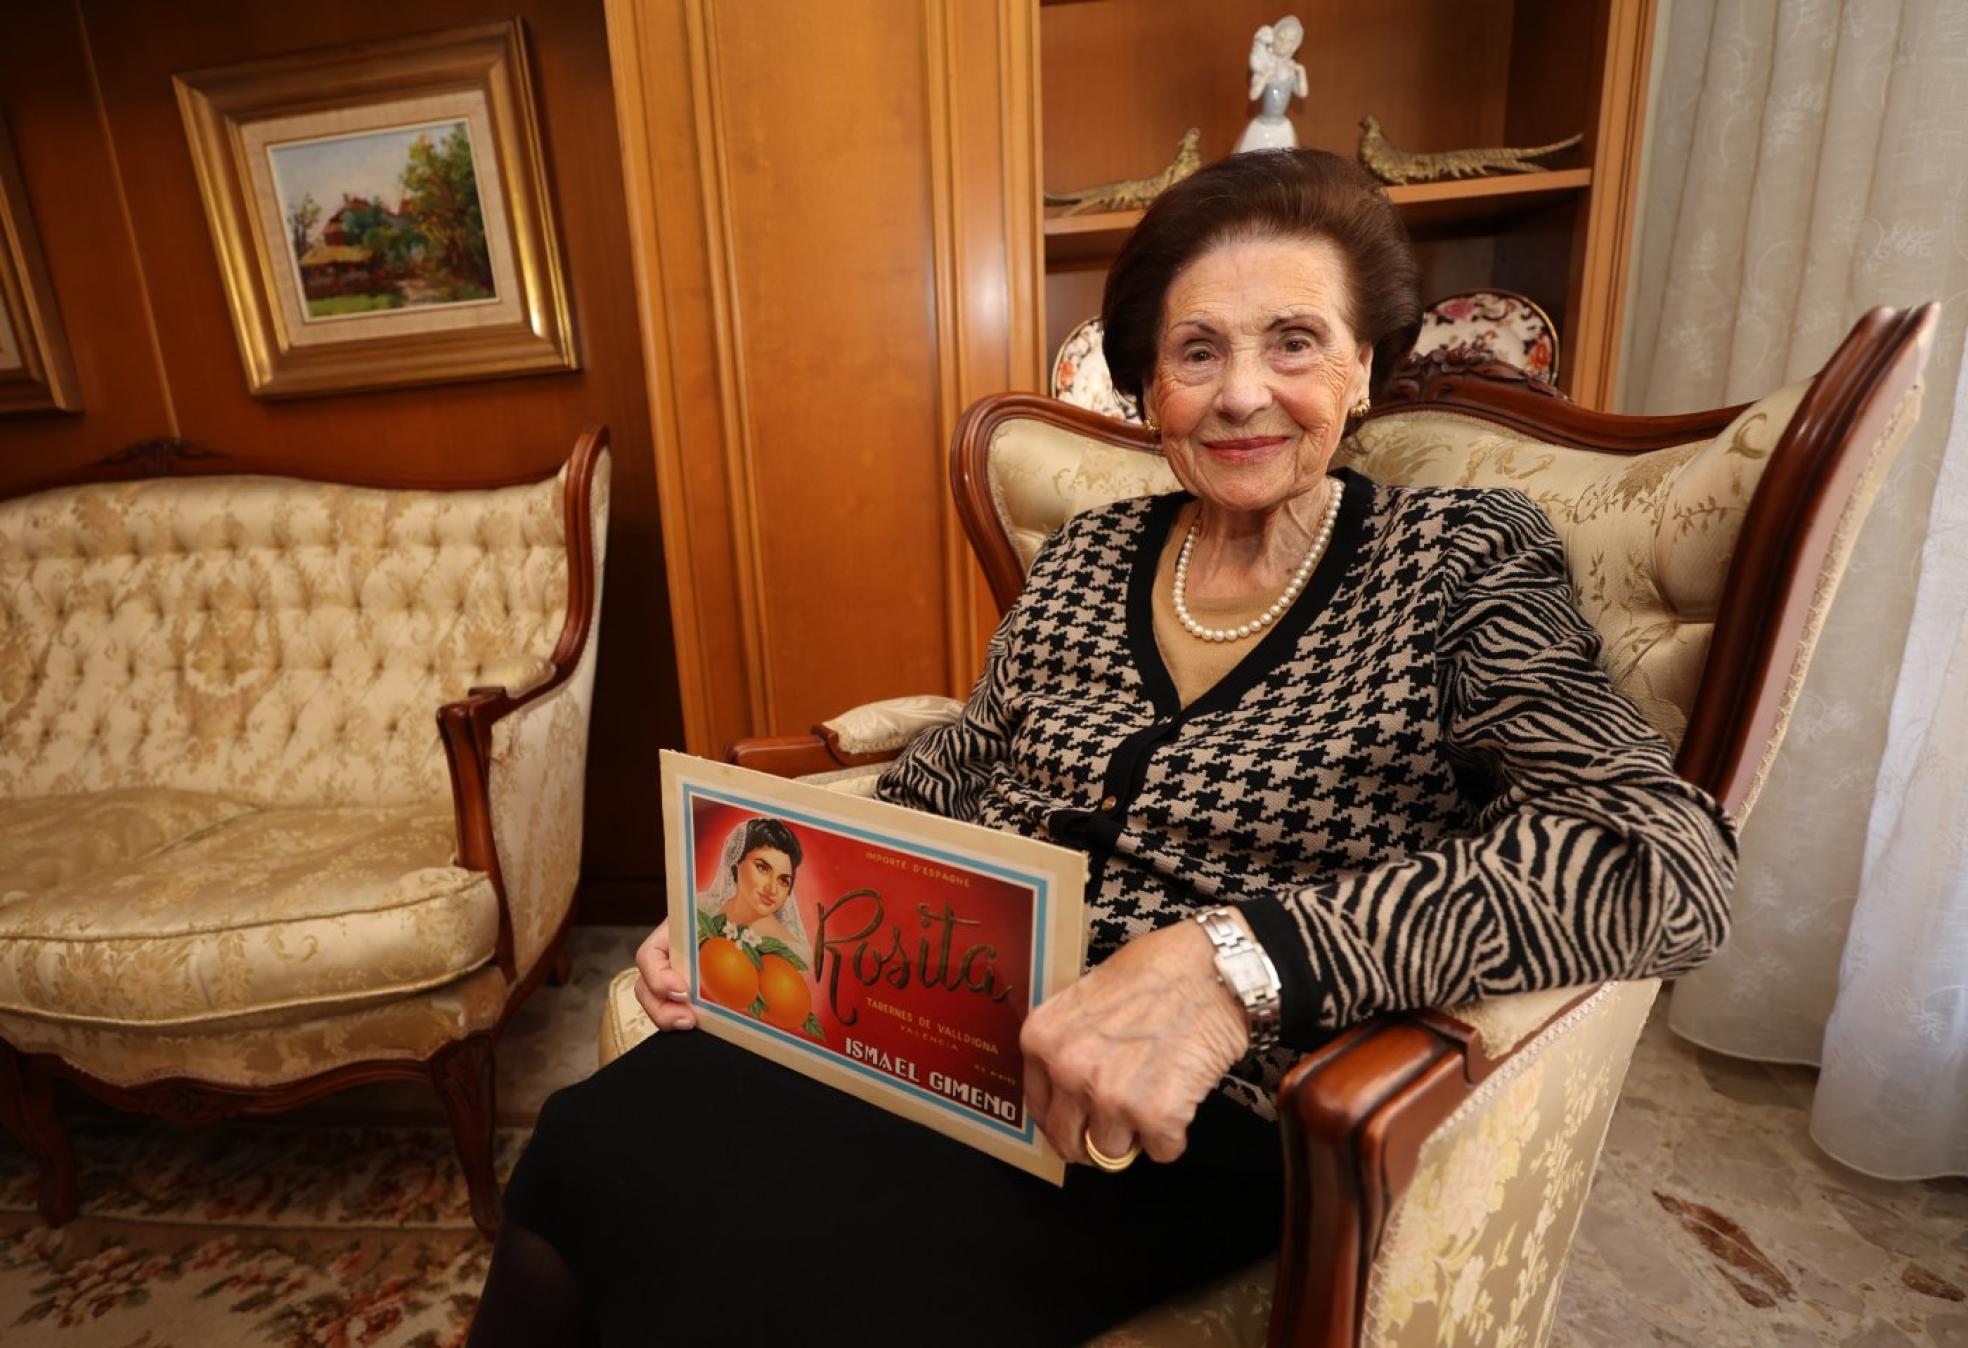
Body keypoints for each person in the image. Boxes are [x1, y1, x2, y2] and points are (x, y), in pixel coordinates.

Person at [468, 148, 1736, 1346]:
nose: (1243, 391)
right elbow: (952, 774)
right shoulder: (1087, 560)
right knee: (587, 1144)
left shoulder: (1458, 557)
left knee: (762, 1272)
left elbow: (1661, 859)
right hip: (938, 1027)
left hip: (1163, 1122)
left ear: (1366, 365)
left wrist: (1236, 962)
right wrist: (743, 913)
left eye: (1293, 341)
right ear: (1148, 391)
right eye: (1197, 351)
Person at [694, 815, 811, 966]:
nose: (772, 889)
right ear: (737, 863)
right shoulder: (699, 908)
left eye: (783, 880)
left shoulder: (793, 953)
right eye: (762, 868)